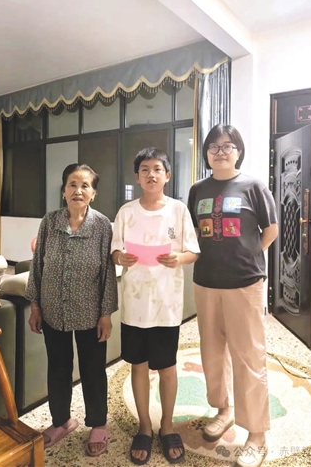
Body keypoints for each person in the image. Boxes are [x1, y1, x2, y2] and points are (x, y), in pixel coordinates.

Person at [187, 125, 278, 467]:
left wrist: (248, 256)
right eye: (214, 146)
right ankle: (223, 409)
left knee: (248, 357)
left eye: (227, 146)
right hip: (206, 281)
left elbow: (270, 230)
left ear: (238, 151)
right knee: (212, 352)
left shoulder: (254, 186)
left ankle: (256, 434)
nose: (220, 151)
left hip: (244, 283)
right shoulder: (197, 190)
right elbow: (192, 233)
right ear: (206, 153)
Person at [111, 148, 200, 465]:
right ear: (137, 177)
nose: (151, 174)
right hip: (135, 305)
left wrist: (179, 258)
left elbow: (193, 251)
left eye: (157, 169)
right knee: (138, 365)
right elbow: (114, 251)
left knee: (167, 366)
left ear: (167, 175)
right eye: (145, 169)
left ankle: (167, 425)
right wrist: (120, 257)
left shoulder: (178, 210)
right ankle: (145, 427)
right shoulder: (126, 212)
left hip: (167, 304)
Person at [26, 163, 118, 457]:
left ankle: (98, 424)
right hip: (53, 310)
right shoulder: (49, 221)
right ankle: (61, 421)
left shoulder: (102, 226)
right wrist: (35, 305)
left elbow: (107, 272)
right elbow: (37, 264)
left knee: (93, 370)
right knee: (58, 367)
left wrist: (106, 313)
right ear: (64, 191)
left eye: (85, 185)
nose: (78, 190)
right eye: (72, 185)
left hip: (90, 312)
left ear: (93, 193)